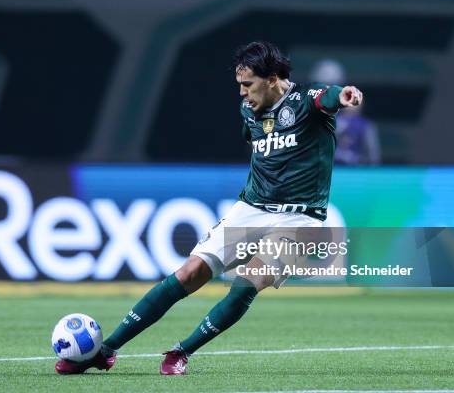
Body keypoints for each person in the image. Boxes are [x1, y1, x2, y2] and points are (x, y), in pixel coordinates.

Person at [55, 41, 363, 376]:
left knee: (246, 282)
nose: (243, 93)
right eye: (239, 86)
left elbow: (330, 96)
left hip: (299, 217)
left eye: (248, 85)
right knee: (189, 273)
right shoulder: (249, 111)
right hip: (252, 207)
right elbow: (256, 137)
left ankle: (181, 352)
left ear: (273, 78)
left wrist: (344, 95)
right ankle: (106, 350)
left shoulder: (308, 101)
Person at [310, 59, 380, 165]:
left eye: (331, 85)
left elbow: (373, 158)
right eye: (321, 86)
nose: (326, 90)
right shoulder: (307, 116)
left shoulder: (360, 123)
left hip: (353, 175)